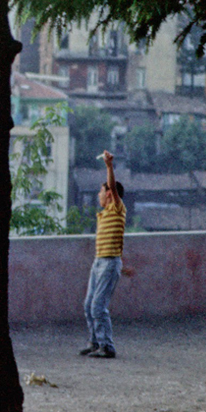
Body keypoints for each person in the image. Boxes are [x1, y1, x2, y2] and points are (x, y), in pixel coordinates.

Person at [81, 150, 126, 359]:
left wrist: (109, 166)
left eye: (101, 192)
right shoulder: (105, 213)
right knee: (89, 305)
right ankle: (95, 342)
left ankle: (107, 346)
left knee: (98, 306)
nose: (98, 195)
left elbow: (112, 187)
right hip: (99, 263)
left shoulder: (117, 207)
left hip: (108, 264)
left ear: (109, 194)